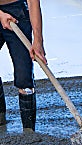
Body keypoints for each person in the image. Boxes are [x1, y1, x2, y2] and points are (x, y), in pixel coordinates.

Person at [0, 0, 46, 132]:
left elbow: (33, 1)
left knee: (24, 76)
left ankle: (29, 131)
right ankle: (0, 118)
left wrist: (38, 40)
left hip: (17, 14)